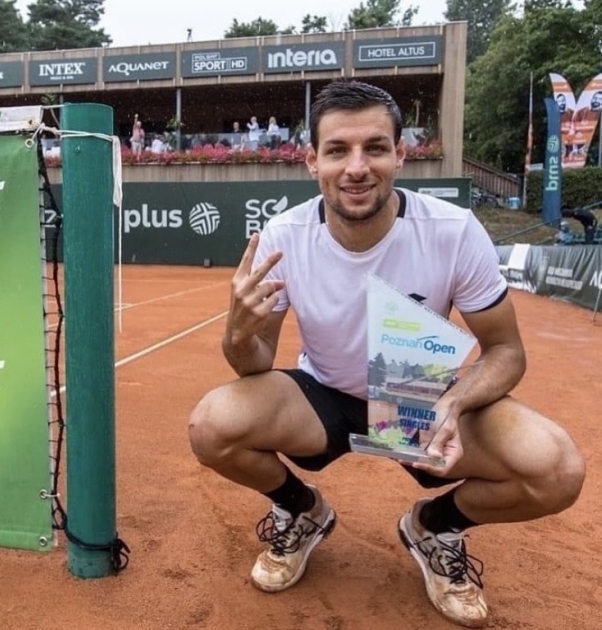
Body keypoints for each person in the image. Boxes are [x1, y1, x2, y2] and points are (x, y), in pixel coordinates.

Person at [188, 80, 585, 628]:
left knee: (558, 469)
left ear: (400, 154)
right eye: (337, 150)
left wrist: (458, 401)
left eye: (375, 147)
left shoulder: (451, 230)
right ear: (311, 161)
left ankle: (433, 525)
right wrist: (236, 332)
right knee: (211, 425)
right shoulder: (285, 236)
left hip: (416, 398)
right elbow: (254, 365)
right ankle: (304, 511)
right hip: (321, 395)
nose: (357, 167)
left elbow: (506, 352)